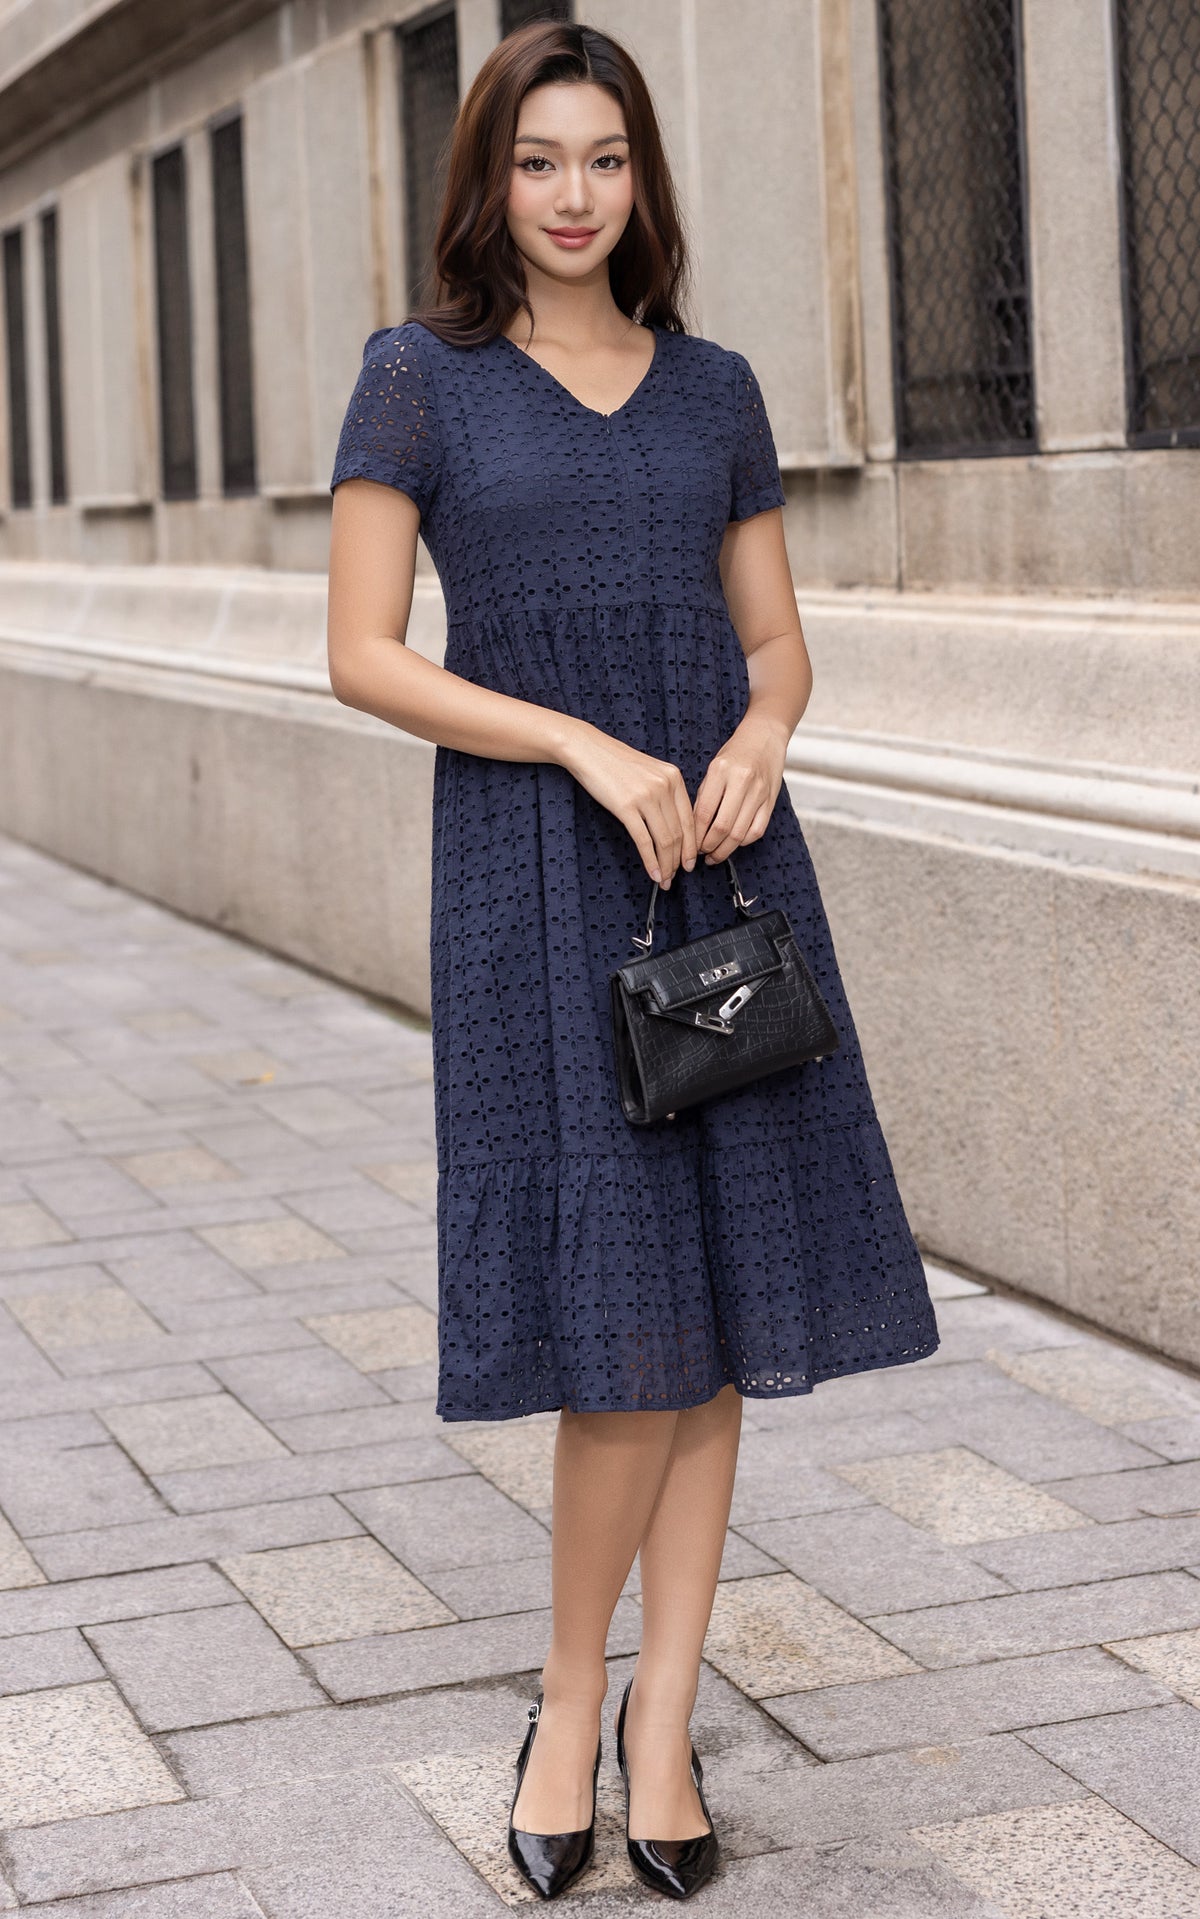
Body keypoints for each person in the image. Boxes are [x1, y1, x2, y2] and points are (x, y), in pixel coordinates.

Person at [326, 17, 940, 1903]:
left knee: (721, 1301)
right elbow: (363, 653)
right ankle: (569, 1686)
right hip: (537, 875)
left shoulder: (717, 387)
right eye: (539, 162)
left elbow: (778, 644)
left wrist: (761, 738)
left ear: (642, 177)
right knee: (625, 1330)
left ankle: (661, 1719)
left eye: (605, 160)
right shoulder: (418, 378)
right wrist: (582, 743)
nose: (575, 196)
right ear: (487, 181)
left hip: (722, 879)